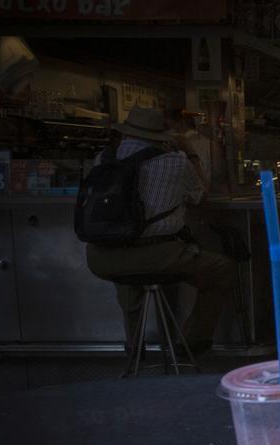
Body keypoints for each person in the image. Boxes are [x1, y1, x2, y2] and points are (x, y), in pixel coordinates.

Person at [85, 106, 234, 356]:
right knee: (222, 269)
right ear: (161, 136)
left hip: (102, 257)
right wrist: (191, 155)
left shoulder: (103, 158)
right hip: (160, 255)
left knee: (127, 267)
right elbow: (201, 194)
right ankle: (191, 343)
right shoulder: (175, 162)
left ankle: (134, 346)